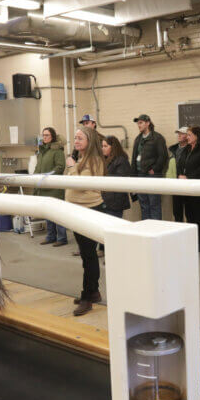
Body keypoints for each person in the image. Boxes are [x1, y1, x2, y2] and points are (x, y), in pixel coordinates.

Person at [65, 127, 107, 316]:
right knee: (86, 255)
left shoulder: (95, 160)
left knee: (88, 256)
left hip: (89, 210)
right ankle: (93, 291)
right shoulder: (81, 160)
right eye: (75, 138)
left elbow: (81, 184)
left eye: (80, 138)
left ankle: (87, 297)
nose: (76, 140)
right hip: (77, 210)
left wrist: (71, 166)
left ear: (89, 141)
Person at [178, 126, 200, 252]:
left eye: (190, 135)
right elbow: (181, 163)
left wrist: (189, 177)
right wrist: (181, 175)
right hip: (186, 187)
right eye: (187, 135)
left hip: (197, 186)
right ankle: (192, 241)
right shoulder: (186, 149)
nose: (187, 137)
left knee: (198, 214)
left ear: (197, 136)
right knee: (189, 214)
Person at [34, 126, 69, 247]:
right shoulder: (42, 151)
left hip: (54, 188)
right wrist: (34, 177)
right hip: (43, 187)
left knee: (58, 214)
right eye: (43, 135)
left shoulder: (57, 151)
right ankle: (50, 236)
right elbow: (38, 167)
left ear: (52, 136)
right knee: (48, 215)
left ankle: (62, 238)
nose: (44, 137)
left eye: (47, 135)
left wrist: (48, 175)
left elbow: (60, 167)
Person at [131, 114, 168, 220]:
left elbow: (163, 156)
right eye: (138, 123)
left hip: (152, 175)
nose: (139, 125)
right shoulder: (138, 139)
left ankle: (156, 230)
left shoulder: (157, 138)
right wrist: (133, 176)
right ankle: (146, 230)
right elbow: (134, 158)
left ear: (148, 123)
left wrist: (155, 169)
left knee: (154, 204)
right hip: (140, 175)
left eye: (141, 122)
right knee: (143, 204)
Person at [101, 135, 132, 219]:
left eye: (105, 146)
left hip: (116, 201)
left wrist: (103, 177)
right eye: (102, 146)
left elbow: (121, 178)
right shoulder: (105, 160)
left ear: (113, 147)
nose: (102, 148)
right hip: (107, 200)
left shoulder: (121, 160)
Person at [170, 126, 190, 222]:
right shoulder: (173, 149)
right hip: (174, 184)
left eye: (182, 133)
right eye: (178, 133)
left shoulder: (190, 149)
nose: (179, 135)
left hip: (186, 184)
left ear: (187, 136)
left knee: (189, 212)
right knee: (176, 211)